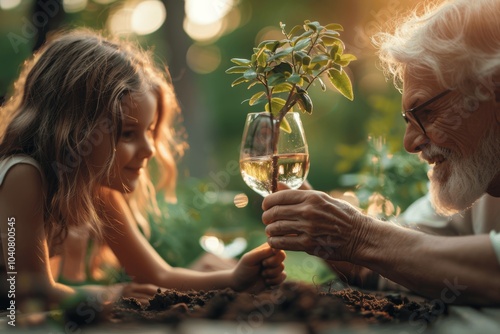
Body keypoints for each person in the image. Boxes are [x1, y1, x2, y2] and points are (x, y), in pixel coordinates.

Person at [0, 29, 286, 312]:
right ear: (74, 130)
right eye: (127, 133)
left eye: (149, 131)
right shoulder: (22, 175)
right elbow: (28, 292)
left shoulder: (96, 190)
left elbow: (159, 276)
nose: (149, 149)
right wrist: (110, 295)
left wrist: (236, 278)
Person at [261, 0, 500, 306]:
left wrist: (358, 236)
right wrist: (326, 233)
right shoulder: (481, 175)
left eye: (426, 112)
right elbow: (395, 260)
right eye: (407, 120)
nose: (410, 143)